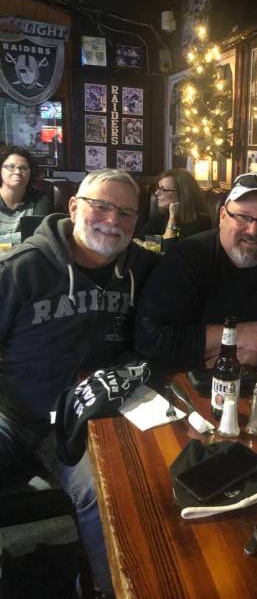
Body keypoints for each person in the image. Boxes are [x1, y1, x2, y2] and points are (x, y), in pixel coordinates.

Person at [0, 168, 157, 597]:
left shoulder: (142, 268)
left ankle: (105, 589)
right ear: (73, 207)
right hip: (12, 414)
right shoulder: (23, 268)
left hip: (80, 420)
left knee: (107, 495)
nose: (113, 220)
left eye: (126, 212)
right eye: (101, 206)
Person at [135, 172, 257, 369]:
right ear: (222, 216)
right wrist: (241, 335)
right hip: (199, 387)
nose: (253, 231)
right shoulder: (187, 256)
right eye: (243, 217)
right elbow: (149, 338)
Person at [137, 168, 211, 252]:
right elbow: (137, 240)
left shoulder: (202, 222)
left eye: (163, 189)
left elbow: (171, 250)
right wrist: (161, 241)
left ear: (182, 194)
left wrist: (172, 219)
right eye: (158, 188)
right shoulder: (161, 216)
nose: (157, 193)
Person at [0, 145, 53, 243]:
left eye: (24, 168)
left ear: (30, 173)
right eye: (11, 167)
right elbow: (28, 237)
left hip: (26, 256)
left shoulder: (40, 199)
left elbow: (38, 237)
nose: (17, 172)